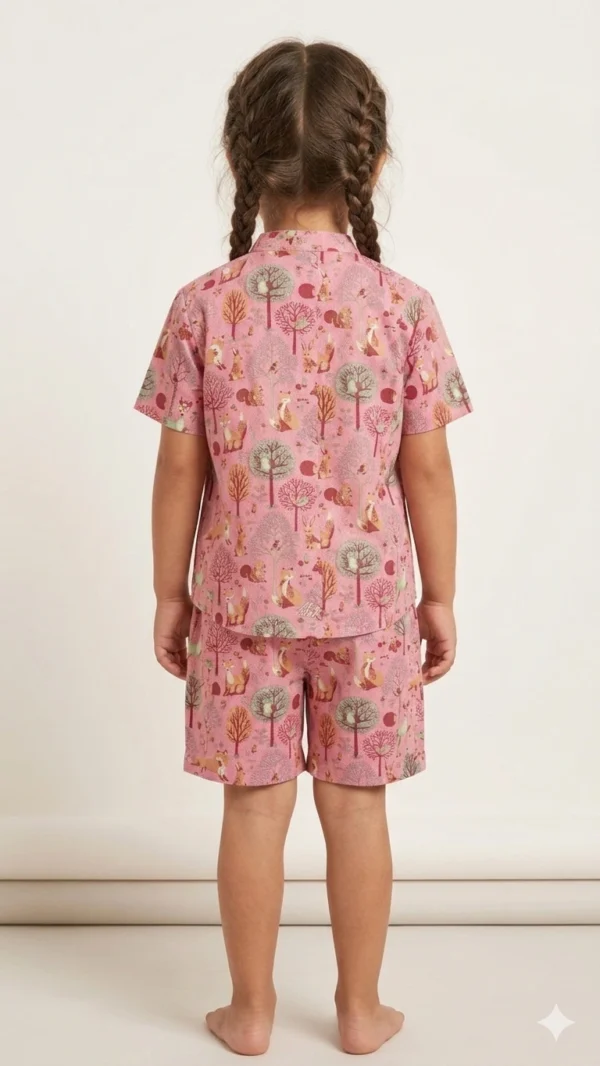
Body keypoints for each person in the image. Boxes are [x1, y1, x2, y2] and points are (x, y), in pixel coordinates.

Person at [134, 39, 472, 1057]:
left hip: (241, 607)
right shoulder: (403, 308)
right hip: (370, 612)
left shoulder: (204, 305)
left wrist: (169, 591)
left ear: (242, 161)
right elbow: (428, 473)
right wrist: (440, 594)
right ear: (372, 163)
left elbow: (180, 470)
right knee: (358, 807)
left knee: (253, 808)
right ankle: (361, 1011)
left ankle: (250, 1013)